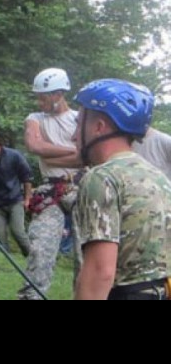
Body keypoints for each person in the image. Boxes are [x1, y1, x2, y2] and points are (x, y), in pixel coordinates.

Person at [73, 79, 170, 300]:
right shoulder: (158, 177)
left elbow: (100, 272)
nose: (74, 135)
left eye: (79, 124)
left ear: (98, 127)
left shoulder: (102, 177)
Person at [18, 68, 82, 300]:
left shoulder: (79, 119)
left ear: (58, 94)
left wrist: (52, 153)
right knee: (39, 249)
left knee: (85, 253)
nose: (40, 102)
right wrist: (74, 151)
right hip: (50, 190)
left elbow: (86, 157)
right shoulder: (35, 119)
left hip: (80, 187)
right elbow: (35, 147)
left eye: (44, 97)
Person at [0, 132, 33, 257]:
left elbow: (27, 178)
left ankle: (32, 257)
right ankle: (6, 259)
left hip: (15, 199)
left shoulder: (14, 155)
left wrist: (27, 199)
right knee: (0, 235)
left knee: (18, 232)